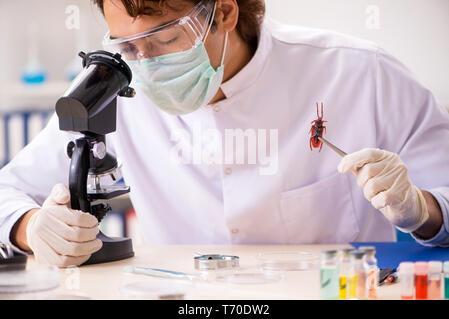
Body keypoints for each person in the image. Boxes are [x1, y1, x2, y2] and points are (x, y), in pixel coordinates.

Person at [1, 0, 449, 267]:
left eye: (163, 40)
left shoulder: (359, 73)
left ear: (226, 12)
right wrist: (31, 227)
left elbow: (443, 194)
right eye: (128, 46)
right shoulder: (115, 90)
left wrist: (421, 210)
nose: (147, 64)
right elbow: (7, 189)